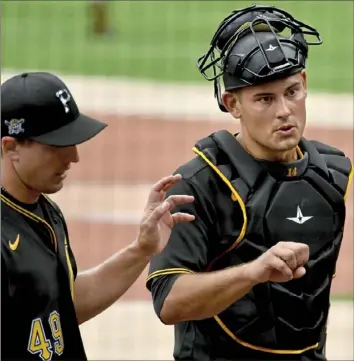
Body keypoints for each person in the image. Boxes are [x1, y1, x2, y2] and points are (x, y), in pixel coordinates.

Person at [146, 4, 353, 361]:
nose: (284, 111)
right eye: (264, 99)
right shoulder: (198, 184)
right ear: (232, 104)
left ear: (304, 84)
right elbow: (170, 302)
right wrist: (254, 273)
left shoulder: (332, 174)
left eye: (291, 92)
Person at [1, 71, 195, 360]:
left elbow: (65, 304)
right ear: (11, 147)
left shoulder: (45, 211)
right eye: (56, 145)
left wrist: (142, 249)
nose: (73, 157)